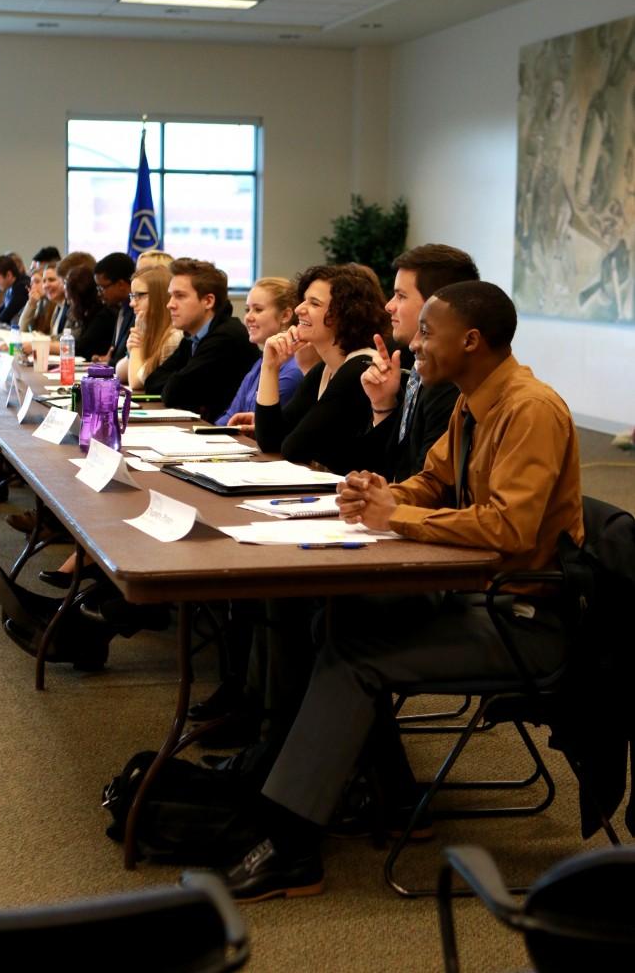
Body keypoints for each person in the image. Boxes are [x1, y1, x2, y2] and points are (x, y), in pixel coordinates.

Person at [219, 280, 584, 902]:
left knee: (355, 653)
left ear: (470, 340)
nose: (413, 345)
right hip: (480, 596)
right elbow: (432, 481)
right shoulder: (474, 400)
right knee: (336, 621)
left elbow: (510, 526)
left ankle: (293, 843)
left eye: (425, 334)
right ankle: (379, 796)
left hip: (524, 618)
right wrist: (379, 495)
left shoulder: (530, 409)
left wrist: (397, 518)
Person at [345, 244, 479, 481]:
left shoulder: (452, 383)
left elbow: (427, 486)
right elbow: (379, 471)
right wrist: (382, 405)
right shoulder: (413, 365)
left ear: (438, 306)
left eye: (401, 296)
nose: (389, 305)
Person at [254, 265, 390, 475]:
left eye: (314, 303)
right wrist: (270, 367)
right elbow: (270, 440)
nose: (299, 308)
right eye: (304, 299)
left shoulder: (359, 369)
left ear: (346, 315)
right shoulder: (325, 370)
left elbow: (292, 449)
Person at [144, 258, 259, 422]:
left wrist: (174, 384)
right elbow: (152, 382)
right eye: (171, 296)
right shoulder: (193, 335)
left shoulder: (225, 338)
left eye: (180, 296)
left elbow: (174, 393)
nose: (170, 304)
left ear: (208, 301)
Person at [214, 277, 303, 433]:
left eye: (258, 309)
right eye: (247, 309)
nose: (248, 317)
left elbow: (265, 427)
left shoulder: (294, 369)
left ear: (285, 315)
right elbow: (230, 416)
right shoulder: (260, 362)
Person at [114, 265, 181, 390]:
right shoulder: (150, 331)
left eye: (139, 295)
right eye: (132, 296)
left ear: (160, 297)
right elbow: (120, 373)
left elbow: (136, 383)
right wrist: (131, 352)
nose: (132, 303)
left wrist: (137, 348)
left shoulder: (174, 337)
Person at [65, 265, 117, 360]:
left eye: (71, 299)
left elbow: (80, 349)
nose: (69, 303)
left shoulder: (103, 316)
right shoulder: (90, 313)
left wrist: (47, 346)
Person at [92, 253, 136, 365]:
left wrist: (110, 362)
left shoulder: (136, 311)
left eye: (102, 287)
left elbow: (128, 358)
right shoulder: (121, 309)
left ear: (121, 284)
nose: (99, 293)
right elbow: (116, 355)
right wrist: (105, 359)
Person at [0, 254, 29, 324]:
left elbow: (5, 316)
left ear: (8, 275)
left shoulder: (22, 287)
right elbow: (0, 312)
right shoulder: (11, 287)